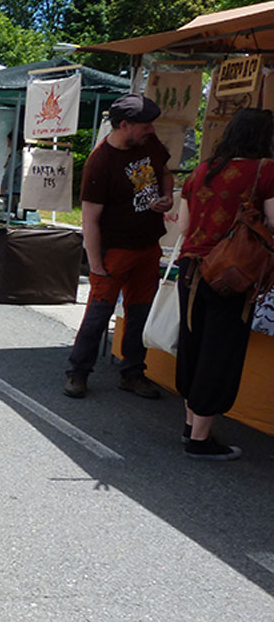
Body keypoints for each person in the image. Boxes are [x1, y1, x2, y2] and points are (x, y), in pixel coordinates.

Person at [174, 108, 274, 460]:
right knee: (219, 353)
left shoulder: (202, 170)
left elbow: (185, 228)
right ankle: (200, 441)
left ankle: (190, 426)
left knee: (193, 346)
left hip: (190, 270)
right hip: (231, 275)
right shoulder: (266, 171)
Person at [63, 94, 174, 399]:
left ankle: (133, 372)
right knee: (98, 314)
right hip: (115, 251)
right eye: (145, 125)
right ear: (124, 125)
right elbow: (90, 220)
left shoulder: (148, 144)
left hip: (148, 246)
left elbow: (165, 171)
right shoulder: (100, 162)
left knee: (140, 312)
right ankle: (78, 372)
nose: (150, 129)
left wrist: (168, 198)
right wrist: (96, 264)